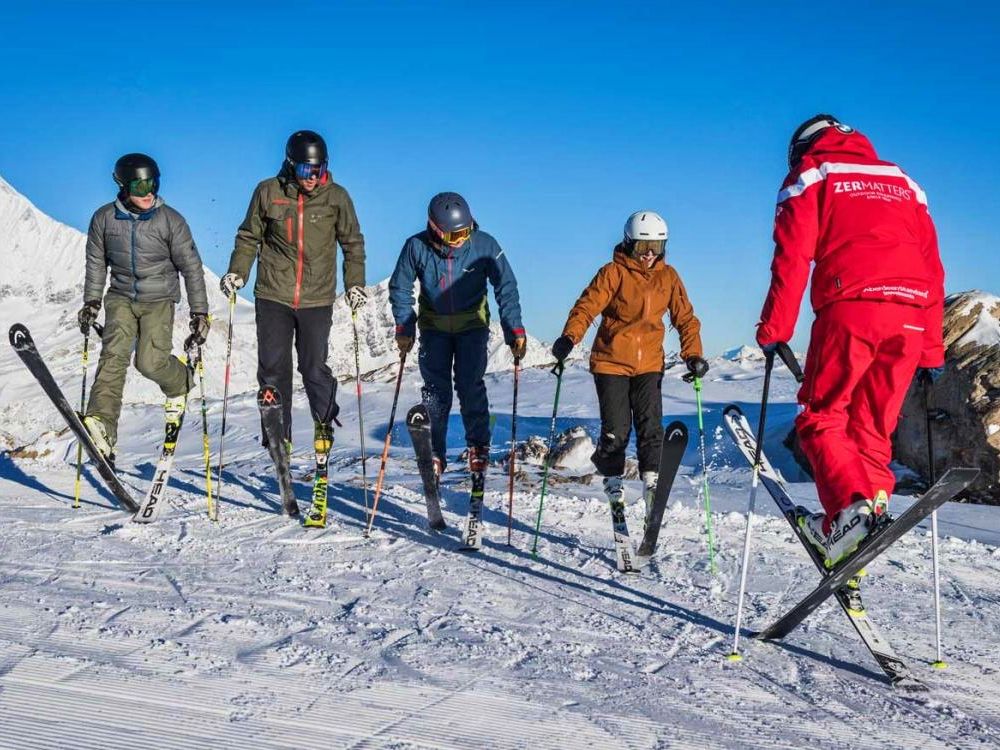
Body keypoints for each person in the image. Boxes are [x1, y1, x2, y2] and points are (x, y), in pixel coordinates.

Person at [756, 114, 945, 567]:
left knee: (821, 416)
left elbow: (793, 258)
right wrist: (931, 348)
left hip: (852, 306)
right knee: (872, 429)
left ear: (801, 147)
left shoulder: (812, 174)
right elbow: (934, 268)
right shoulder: (903, 181)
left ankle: (849, 515)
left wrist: (775, 330)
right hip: (911, 315)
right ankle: (871, 512)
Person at [550, 210, 706, 529]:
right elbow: (586, 307)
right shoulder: (612, 273)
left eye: (657, 247)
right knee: (616, 432)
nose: (649, 254)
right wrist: (569, 337)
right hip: (611, 363)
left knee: (651, 428)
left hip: (649, 363)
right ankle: (614, 485)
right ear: (628, 243)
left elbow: (686, 319)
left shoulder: (669, 277)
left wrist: (693, 355)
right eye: (642, 247)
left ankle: (651, 488)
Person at [221, 130, 367, 466]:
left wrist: (355, 283)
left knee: (314, 367)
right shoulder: (268, 192)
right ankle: (277, 435)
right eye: (305, 171)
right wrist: (238, 271)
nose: (312, 179)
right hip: (274, 294)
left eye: (318, 171)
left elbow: (353, 244)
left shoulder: (337, 197)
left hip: (317, 298)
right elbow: (248, 237)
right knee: (273, 369)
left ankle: (324, 423)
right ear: (291, 165)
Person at [79, 153, 209, 465]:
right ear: (123, 187)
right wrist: (91, 301)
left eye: (152, 182)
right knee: (113, 357)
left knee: (149, 363)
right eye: (139, 185)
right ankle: (102, 427)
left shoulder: (171, 221)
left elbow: (191, 267)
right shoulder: (103, 219)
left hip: (159, 299)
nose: (148, 191)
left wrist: (200, 313)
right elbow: (96, 263)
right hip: (121, 296)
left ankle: (181, 382)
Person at [388, 192, 526, 476]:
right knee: (436, 392)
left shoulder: (484, 244)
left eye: (466, 230)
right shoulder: (416, 247)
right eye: (455, 235)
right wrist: (404, 325)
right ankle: (435, 453)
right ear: (436, 230)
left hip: (472, 327)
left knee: (470, 384)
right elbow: (400, 287)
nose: (462, 239)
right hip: (433, 328)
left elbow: (506, 287)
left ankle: (478, 447)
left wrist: (514, 328)